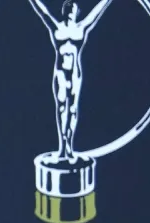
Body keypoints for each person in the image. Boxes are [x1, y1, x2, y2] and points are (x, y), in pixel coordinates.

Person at [31, 0, 115, 159]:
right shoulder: (57, 28)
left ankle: (68, 145)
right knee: (62, 107)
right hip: (61, 72)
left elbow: (96, 12)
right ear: (64, 11)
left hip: (75, 73)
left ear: (76, 13)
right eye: (68, 9)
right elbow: (43, 12)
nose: (70, 12)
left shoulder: (81, 28)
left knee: (72, 109)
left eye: (73, 10)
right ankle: (63, 147)